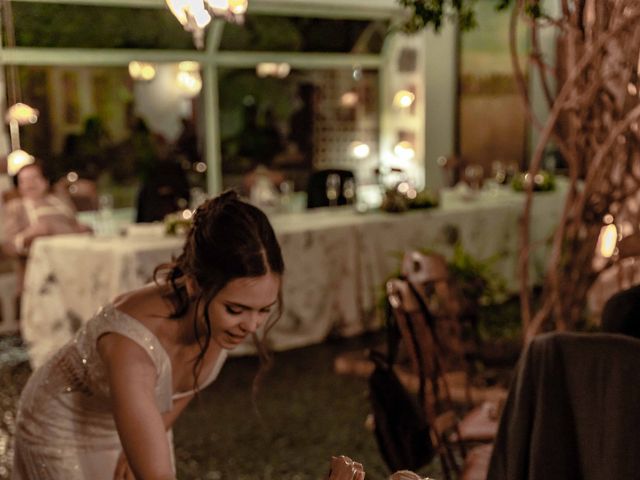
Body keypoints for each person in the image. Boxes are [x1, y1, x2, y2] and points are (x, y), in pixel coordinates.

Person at [11, 190, 286, 480]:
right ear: (194, 285)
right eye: (236, 310)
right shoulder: (130, 347)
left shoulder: (219, 317)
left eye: (264, 310)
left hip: (135, 413)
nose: (251, 325)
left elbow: (182, 387)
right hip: (63, 425)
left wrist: (151, 436)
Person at [1, 159, 91, 297]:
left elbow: (76, 225)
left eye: (34, 178)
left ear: (45, 181)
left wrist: (82, 229)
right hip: (40, 278)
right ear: (19, 186)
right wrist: (25, 237)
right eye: (24, 180)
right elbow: (7, 246)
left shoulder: (60, 200)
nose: (30, 183)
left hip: (75, 266)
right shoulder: (16, 207)